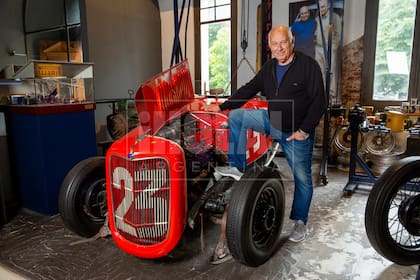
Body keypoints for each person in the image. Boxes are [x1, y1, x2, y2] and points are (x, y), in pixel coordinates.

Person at [203, 25, 326, 263]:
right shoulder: (270, 67)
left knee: (302, 178)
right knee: (237, 117)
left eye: (283, 42)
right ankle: (237, 166)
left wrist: (304, 130)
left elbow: (319, 101)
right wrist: (222, 106)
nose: (279, 48)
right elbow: (250, 89)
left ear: (292, 42)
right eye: (274, 44)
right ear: (269, 47)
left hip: (295, 131)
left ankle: (300, 222)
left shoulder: (307, 66)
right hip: (273, 120)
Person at [314, 0, 342, 103]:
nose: (321, 9)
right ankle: (322, 94)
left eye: (323, 7)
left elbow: (338, 33)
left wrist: (334, 47)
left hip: (329, 49)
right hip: (318, 48)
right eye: (320, 7)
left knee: (331, 72)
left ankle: (332, 96)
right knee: (320, 71)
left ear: (328, 6)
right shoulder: (317, 19)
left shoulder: (334, 17)